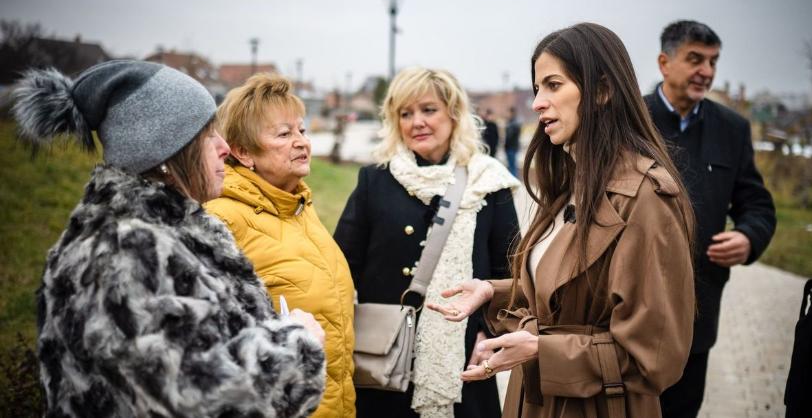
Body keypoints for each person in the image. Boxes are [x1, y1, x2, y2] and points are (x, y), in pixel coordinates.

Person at [12, 60, 326, 417]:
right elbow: (194, 399)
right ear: (166, 153)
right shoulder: (122, 253)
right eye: (209, 134)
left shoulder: (184, 232)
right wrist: (296, 346)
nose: (225, 147)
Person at [428, 23, 697, 417]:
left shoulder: (646, 196)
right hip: (537, 402)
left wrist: (541, 350)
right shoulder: (571, 182)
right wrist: (494, 292)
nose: (538, 102)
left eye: (553, 85)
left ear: (602, 90)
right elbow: (568, 298)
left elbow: (654, 355)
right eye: (537, 88)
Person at [333, 67, 520, 418]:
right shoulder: (375, 180)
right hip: (385, 363)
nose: (416, 122)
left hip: (464, 360)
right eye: (405, 113)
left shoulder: (488, 182)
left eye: (428, 110)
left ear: (454, 114)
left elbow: (511, 275)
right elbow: (342, 269)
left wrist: (489, 334)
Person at [645, 20, 777, 418]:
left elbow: (757, 203)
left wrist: (750, 237)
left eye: (713, 61)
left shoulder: (732, 129)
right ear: (665, 63)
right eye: (695, 59)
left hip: (698, 311)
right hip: (634, 307)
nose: (706, 71)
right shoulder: (629, 120)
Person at [204, 73, 355, 418]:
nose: (301, 142)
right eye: (284, 134)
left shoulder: (299, 207)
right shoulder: (221, 220)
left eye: (301, 130)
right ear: (243, 152)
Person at [503, 107, 521, 176]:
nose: (508, 114)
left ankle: (514, 179)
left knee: (512, 165)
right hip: (510, 147)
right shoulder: (510, 122)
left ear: (512, 113)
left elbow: (510, 137)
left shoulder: (514, 123)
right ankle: (513, 178)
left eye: (509, 113)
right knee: (511, 165)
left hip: (512, 147)